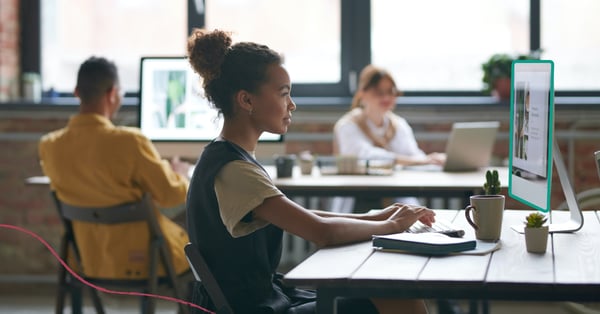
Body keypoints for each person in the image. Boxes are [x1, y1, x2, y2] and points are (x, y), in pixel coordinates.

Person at [185, 29, 435, 314]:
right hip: (256, 308)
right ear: (246, 100)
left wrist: (377, 216)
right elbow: (321, 232)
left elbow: (307, 217)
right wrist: (392, 226)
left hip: (266, 299)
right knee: (400, 299)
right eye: (283, 94)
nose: (292, 104)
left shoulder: (232, 158)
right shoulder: (233, 170)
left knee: (393, 294)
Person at [38, 56, 192, 283]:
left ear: (77, 93)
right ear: (112, 94)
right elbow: (170, 196)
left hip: (86, 261)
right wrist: (180, 175)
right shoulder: (130, 142)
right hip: (149, 260)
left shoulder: (50, 146)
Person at [332, 65, 446, 213]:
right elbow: (366, 157)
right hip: (359, 200)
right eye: (378, 92)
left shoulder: (398, 125)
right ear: (362, 93)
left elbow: (414, 156)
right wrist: (421, 160)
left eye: (390, 92)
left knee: (414, 221)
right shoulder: (347, 126)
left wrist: (437, 161)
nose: (386, 98)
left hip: (396, 197)